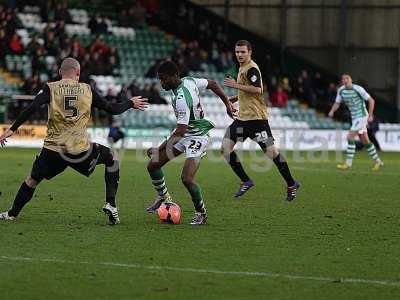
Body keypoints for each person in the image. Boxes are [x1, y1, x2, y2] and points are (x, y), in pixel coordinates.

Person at [0, 58, 148, 224]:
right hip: (79, 151)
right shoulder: (87, 89)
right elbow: (112, 109)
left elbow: (32, 107)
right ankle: (111, 204)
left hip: (53, 149)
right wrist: (130, 103)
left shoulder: (51, 88)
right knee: (112, 157)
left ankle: (12, 214)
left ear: (59, 73)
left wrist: (12, 129)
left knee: (32, 180)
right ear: (78, 73)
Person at [145, 60, 235, 225]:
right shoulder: (190, 81)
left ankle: (201, 213)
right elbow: (213, 84)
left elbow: (179, 132)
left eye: (164, 79)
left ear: (175, 76)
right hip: (184, 133)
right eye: (160, 79)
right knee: (153, 165)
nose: (162, 83)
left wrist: (159, 148)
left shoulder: (181, 98)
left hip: (197, 136)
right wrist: (227, 103)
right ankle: (164, 198)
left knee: (187, 178)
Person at [223, 40, 300, 201]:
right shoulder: (242, 67)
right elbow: (250, 91)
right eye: (237, 52)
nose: (239, 54)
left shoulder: (251, 68)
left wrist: (235, 85)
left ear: (250, 52)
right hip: (243, 120)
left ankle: (291, 183)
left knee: (272, 153)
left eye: (243, 52)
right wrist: (235, 98)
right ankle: (246, 181)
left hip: (257, 121)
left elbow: (257, 89)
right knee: (225, 148)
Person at [328, 74, 383, 171]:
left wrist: (370, 115)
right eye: (343, 79)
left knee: (350, 137)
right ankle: (378, 161)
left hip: (362, 116)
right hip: (354, 118)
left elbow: (371, 100)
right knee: (365, 141)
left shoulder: (358, 89)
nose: (345, 80)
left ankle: (348, 164)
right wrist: (332, 111)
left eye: (347, 78)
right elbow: (337, 102)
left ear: (351, 80)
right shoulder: (341, 90)